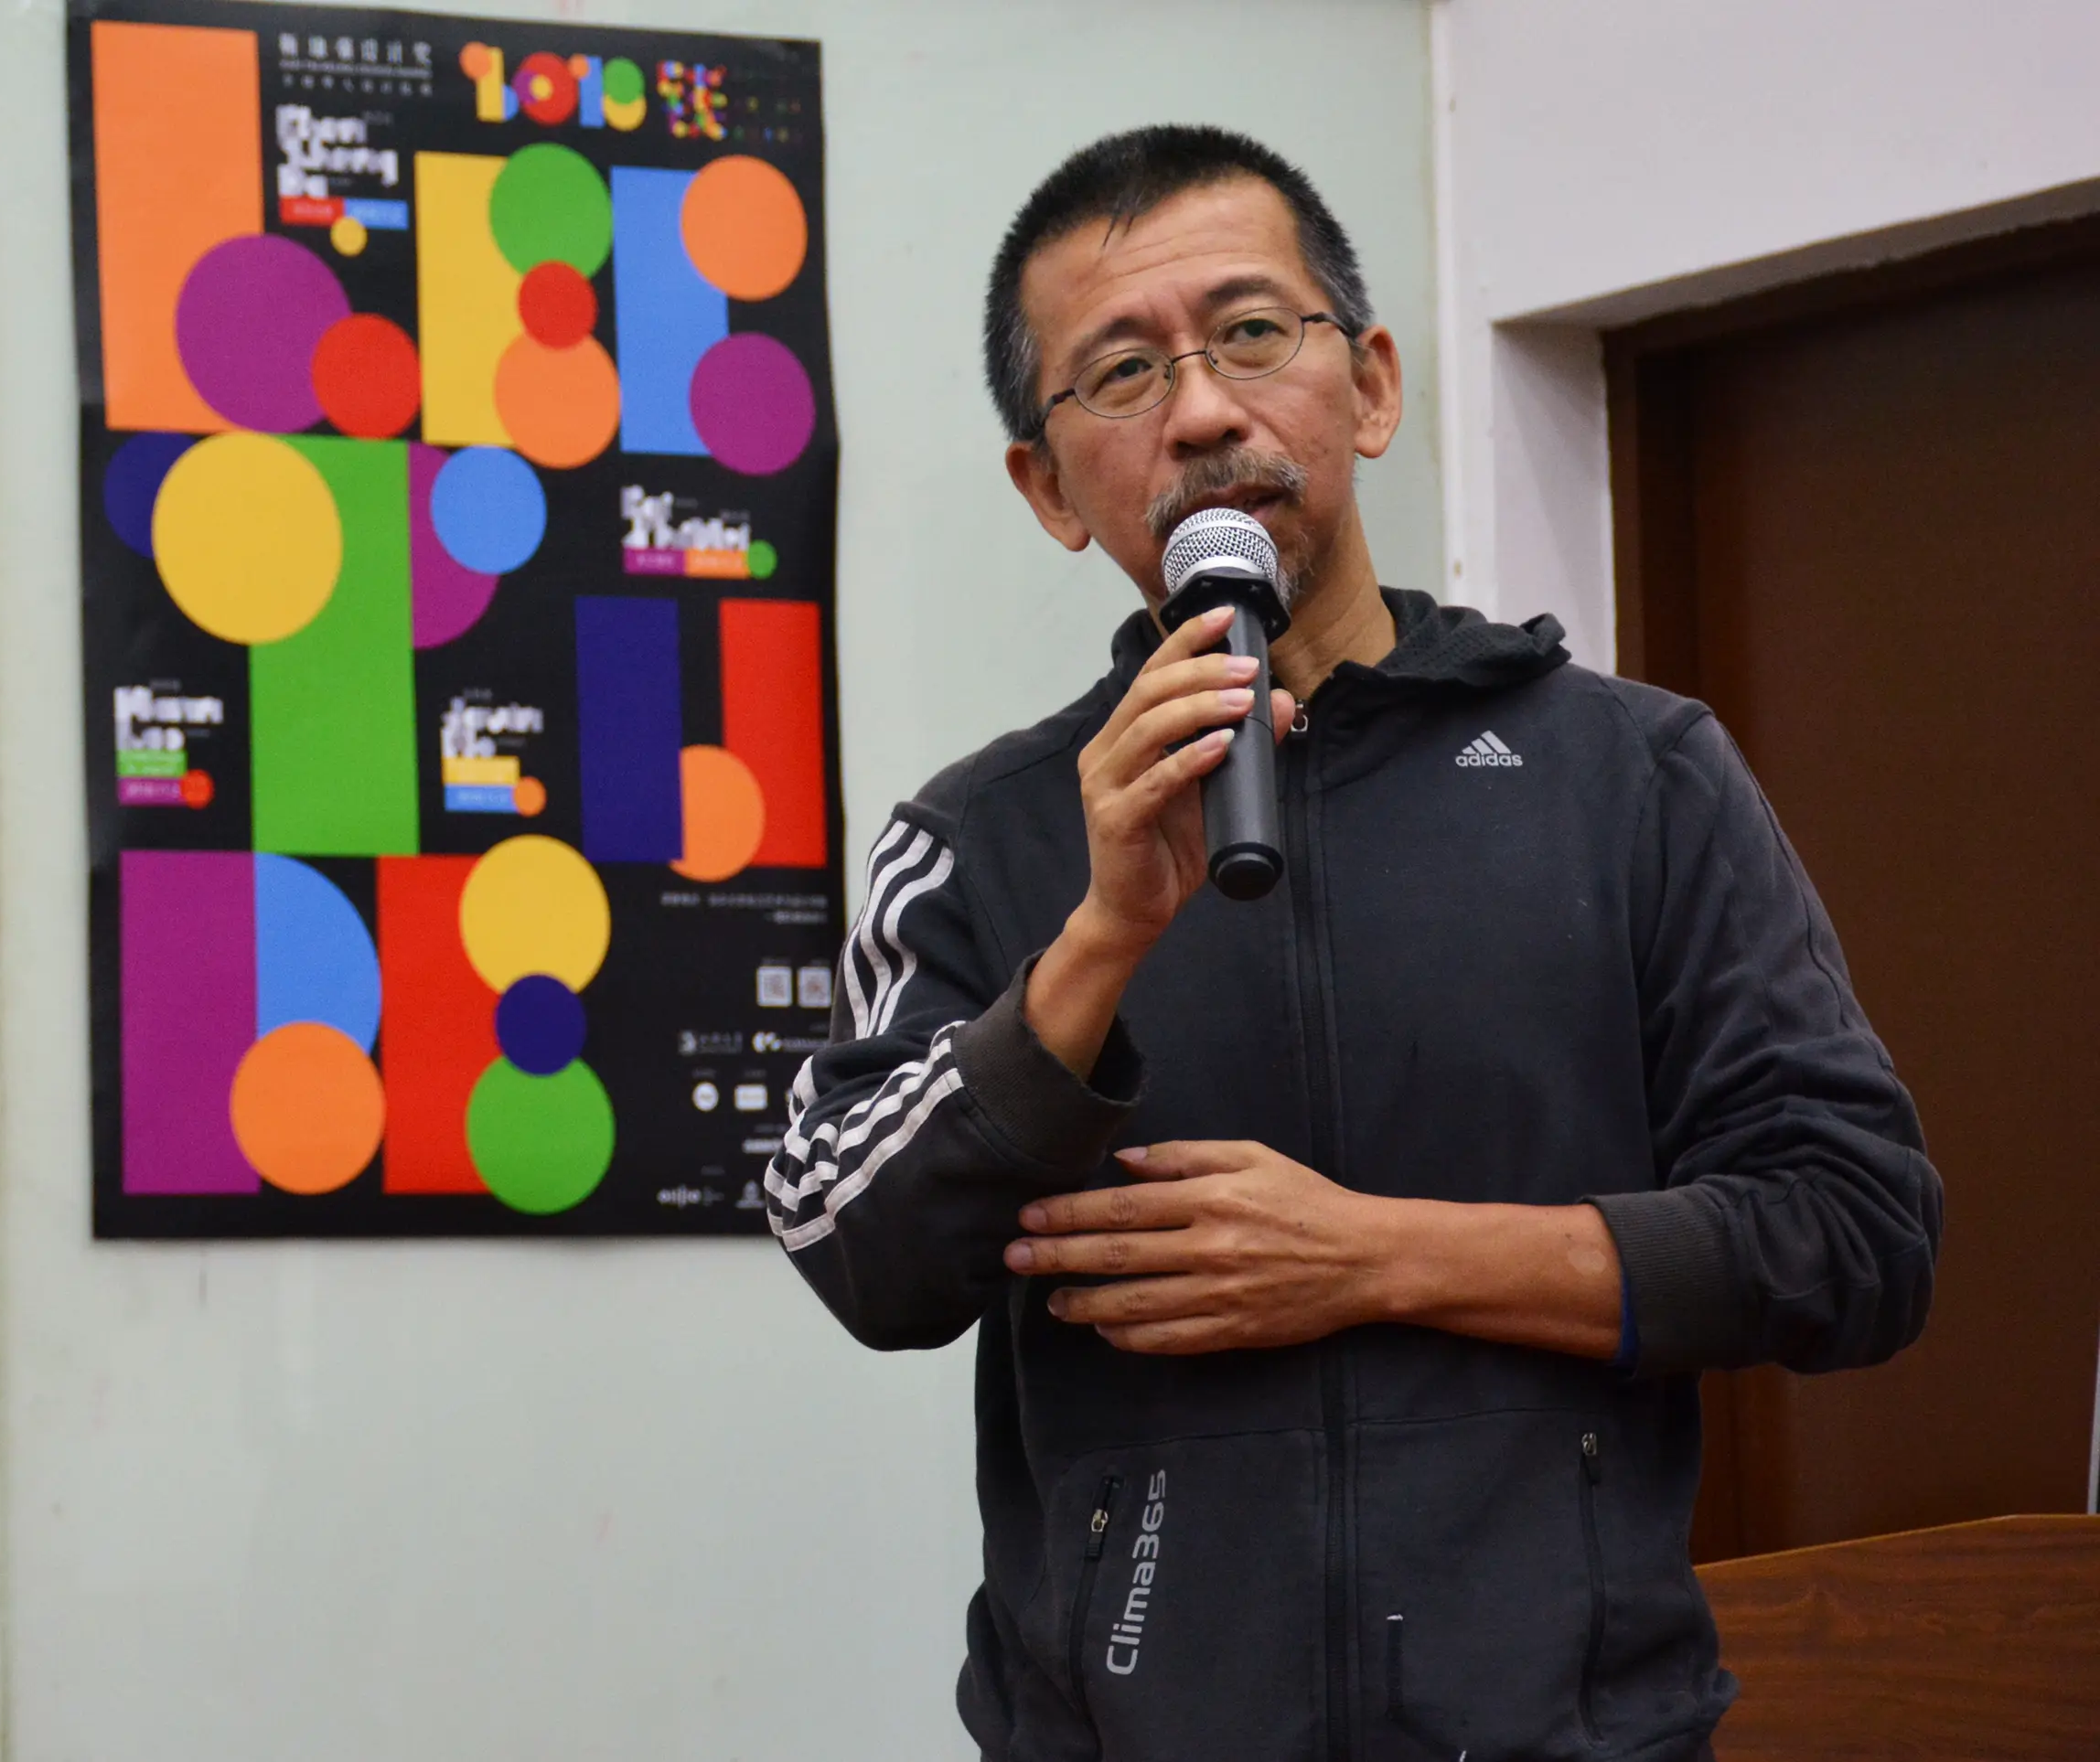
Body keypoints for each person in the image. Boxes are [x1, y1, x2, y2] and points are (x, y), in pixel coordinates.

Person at [765, 126, 1941, 1761]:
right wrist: (1099, 940)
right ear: (1048, 487)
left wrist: (1373, 1257)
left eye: (1252, 332)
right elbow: (852, 1245)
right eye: (1121, 371)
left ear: (1371, 385)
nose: (1202, 411)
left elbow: (1856, 1231)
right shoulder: (981, 836)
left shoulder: (1634, 776)